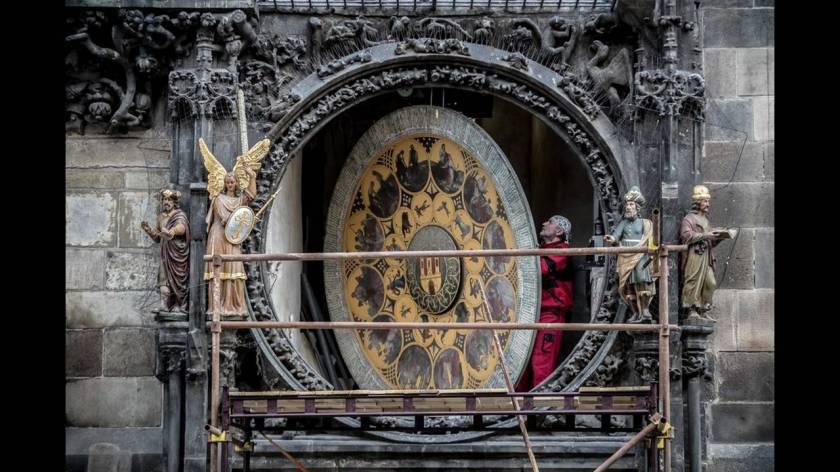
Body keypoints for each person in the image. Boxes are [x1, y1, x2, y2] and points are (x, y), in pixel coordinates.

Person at [516, 215, 573, 391]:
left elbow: (537, 270)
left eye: (549, 222)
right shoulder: (541, 250)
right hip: (531, 313)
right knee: (521, 363)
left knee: (541, 362)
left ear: (559, 231)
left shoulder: (562, 251)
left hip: (550, 315)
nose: (544, 223)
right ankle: (518, 409)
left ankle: (538, 410)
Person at [604, 186, 656, 323]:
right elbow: (616, 235)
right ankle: (635, 312)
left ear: (637, 208)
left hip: (640, 256)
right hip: (625, 257)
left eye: (631, 204)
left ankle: (645, 311)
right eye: (627, 204)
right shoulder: (623, 223)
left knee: (642, 282)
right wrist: (612, 239)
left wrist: (651, 249)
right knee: (628, 286)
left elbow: (652, 240)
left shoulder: (645, 223)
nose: (628, 207)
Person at [681, 185, 730, 321]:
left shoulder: (706, 221)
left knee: (711, 282)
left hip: (706, 255)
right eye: (705, 201)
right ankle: (692, 309)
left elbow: (710, 241)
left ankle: (703, 309)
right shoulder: (689, 219)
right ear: (698, 203)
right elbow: (686, 236)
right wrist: (706, 235)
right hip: (695, 254)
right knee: (693, 281)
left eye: (708, 201)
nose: (707, 204)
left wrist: (720, 238)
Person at [141, 189, 190, 312]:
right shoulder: (160, 217)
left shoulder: (179, 214)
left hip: (177, 252)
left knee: (178, 279)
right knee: (163, 279)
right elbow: (158, 238)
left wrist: (172, 232)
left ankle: (180, 305)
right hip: (165, 252)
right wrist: (149, 231)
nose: (166, 202)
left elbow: (182, 227)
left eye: (169, 200)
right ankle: (164, 304)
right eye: (164, 200)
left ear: (174, 202)